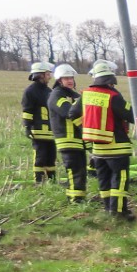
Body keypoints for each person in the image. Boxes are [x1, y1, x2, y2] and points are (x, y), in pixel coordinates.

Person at [69, 60, 136, 220]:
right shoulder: (113, 96)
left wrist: (86, 128)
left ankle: (108, 210)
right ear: (110, 80)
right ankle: (118, 213)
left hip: (97, 149)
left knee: (104, 180)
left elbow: (72, 114)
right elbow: (131, 115)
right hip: (117, 147)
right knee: (119, 180)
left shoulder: (86, 95)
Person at [47, 64, 87, 203]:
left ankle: (79, 198)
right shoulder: (56, 95)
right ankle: (75, 200)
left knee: (81, 171)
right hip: (67, 140)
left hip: (77, 140)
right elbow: (69, 112)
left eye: (71, 78)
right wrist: (83, 99)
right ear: (59, 80)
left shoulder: (72, 94)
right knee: (74, 171)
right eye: (66, 78)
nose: (70, 80)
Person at [21, 61, 56, 183]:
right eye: (48, 74)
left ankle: (52, 180)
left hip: (51, 132)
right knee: (40, 157)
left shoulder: (49, 91)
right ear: (41, 75)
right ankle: (39, 181)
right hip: (38, 132)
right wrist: (27, 127)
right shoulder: (30, 91)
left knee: (51, 157)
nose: (50, 77)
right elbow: (27, 111)